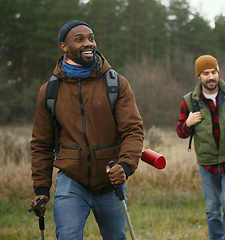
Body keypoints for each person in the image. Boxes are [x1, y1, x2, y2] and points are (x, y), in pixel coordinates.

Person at [30, 20, 144, 240]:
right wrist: (42, 190)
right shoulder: (49, 91)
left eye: (91, 38)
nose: (88, 43)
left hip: (110, 182)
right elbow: (41, 144)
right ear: (64, 46)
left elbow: (133, 130)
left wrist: (125, 165)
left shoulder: (116, 84)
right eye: (79, 39)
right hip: (71, 181)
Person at [176, 55, 225, 240]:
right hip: (207, 163)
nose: (210, 77)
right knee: (212, 210)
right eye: (205, 73)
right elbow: (181, 132)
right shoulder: (189, 101)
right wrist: (188, 122)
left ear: (218, 72)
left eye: (214, 72)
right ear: (199, 76)